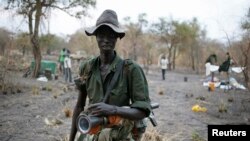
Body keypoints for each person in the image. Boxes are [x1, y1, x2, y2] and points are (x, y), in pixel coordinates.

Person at [69, 9, 152, 141]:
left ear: (117, 38)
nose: (106, 40)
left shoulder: (131, 69)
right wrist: (71, 139)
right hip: (91, 130)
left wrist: (113, 110)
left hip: (119, 134)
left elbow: (142, 111)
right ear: (95, 36)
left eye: (111, 35)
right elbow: (79, 106)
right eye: (101, 35)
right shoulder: (87, 68)